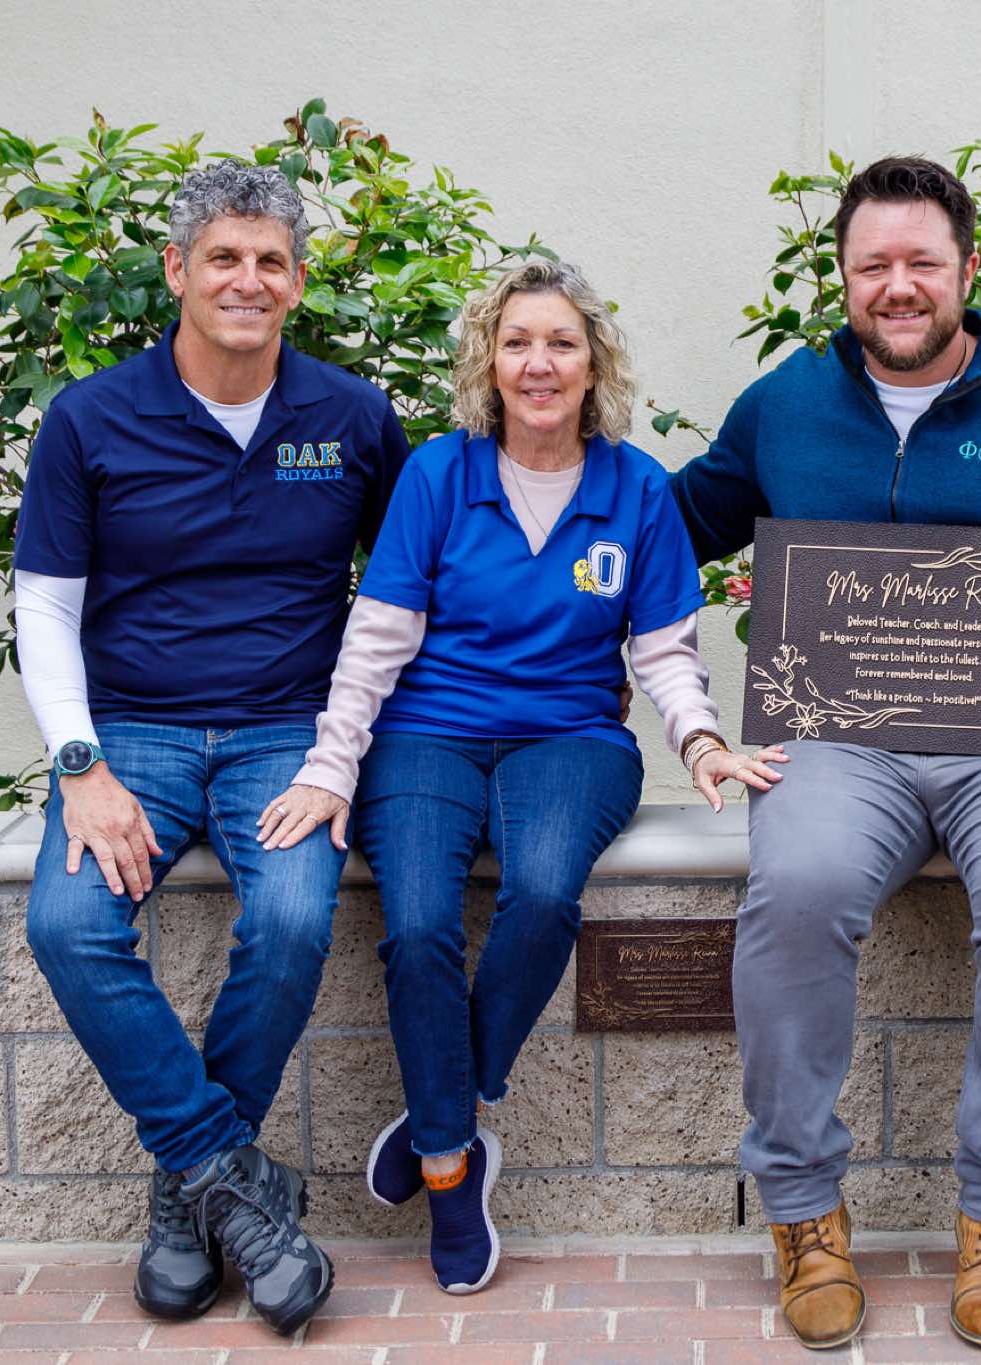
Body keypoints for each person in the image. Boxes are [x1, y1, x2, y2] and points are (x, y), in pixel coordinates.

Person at [670, 157, 981, 1351]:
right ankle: (801, 1211)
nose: (896, 286)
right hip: (839, 740)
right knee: (795, 890)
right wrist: (533, 488)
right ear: (841, 277)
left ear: (965, 270)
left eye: (920, 263)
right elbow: (668, 527)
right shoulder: (783, 406)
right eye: (872, 266)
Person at [259, 258, 781, 1295]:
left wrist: (700, 742)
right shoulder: (437, 475)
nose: (539, 363)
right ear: (487, 364)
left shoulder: (637, 489)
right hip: (427, 733)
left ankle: (443, 1113)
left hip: (571, 737)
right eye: (516, 343)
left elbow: (663, 651)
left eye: (561, 343)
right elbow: (377, 637)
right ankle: (452, 1174)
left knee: (543, 896)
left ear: (594, 366)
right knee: (416, 926)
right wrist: (330, 765)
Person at [14, 162, 411, 1333]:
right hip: (130, 732)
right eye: (224, 258)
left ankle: (189, 1196)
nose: (248, 280)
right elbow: (43, 607)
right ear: (178, 271)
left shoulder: (350, 418)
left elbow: (406, 592)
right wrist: (80, 767)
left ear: (298, 281)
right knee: (67, 925)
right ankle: (228, 1180)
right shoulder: (90, 417)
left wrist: (349, 750)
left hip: (287, 731)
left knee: (290, 919)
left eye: (270, 261)